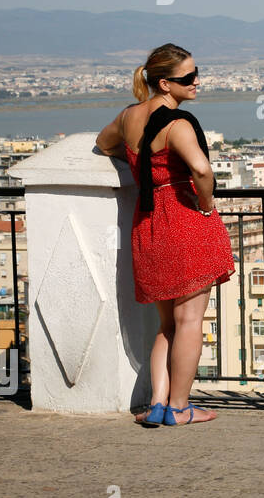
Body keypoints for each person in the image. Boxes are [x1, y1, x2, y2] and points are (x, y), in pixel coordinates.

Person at [95, 43, 235, 427]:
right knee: (190, 321)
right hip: (184, 218)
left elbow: (104, 144)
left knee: (167, 324)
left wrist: (143, 167)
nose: (196, 83)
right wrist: (206, 205)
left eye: (195, 73)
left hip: (149, 222)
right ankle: (179, 407)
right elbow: (202, 170)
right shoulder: (178, 124)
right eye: (187, 78)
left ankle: (157, 403)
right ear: (164, 83)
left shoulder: (128, 117)